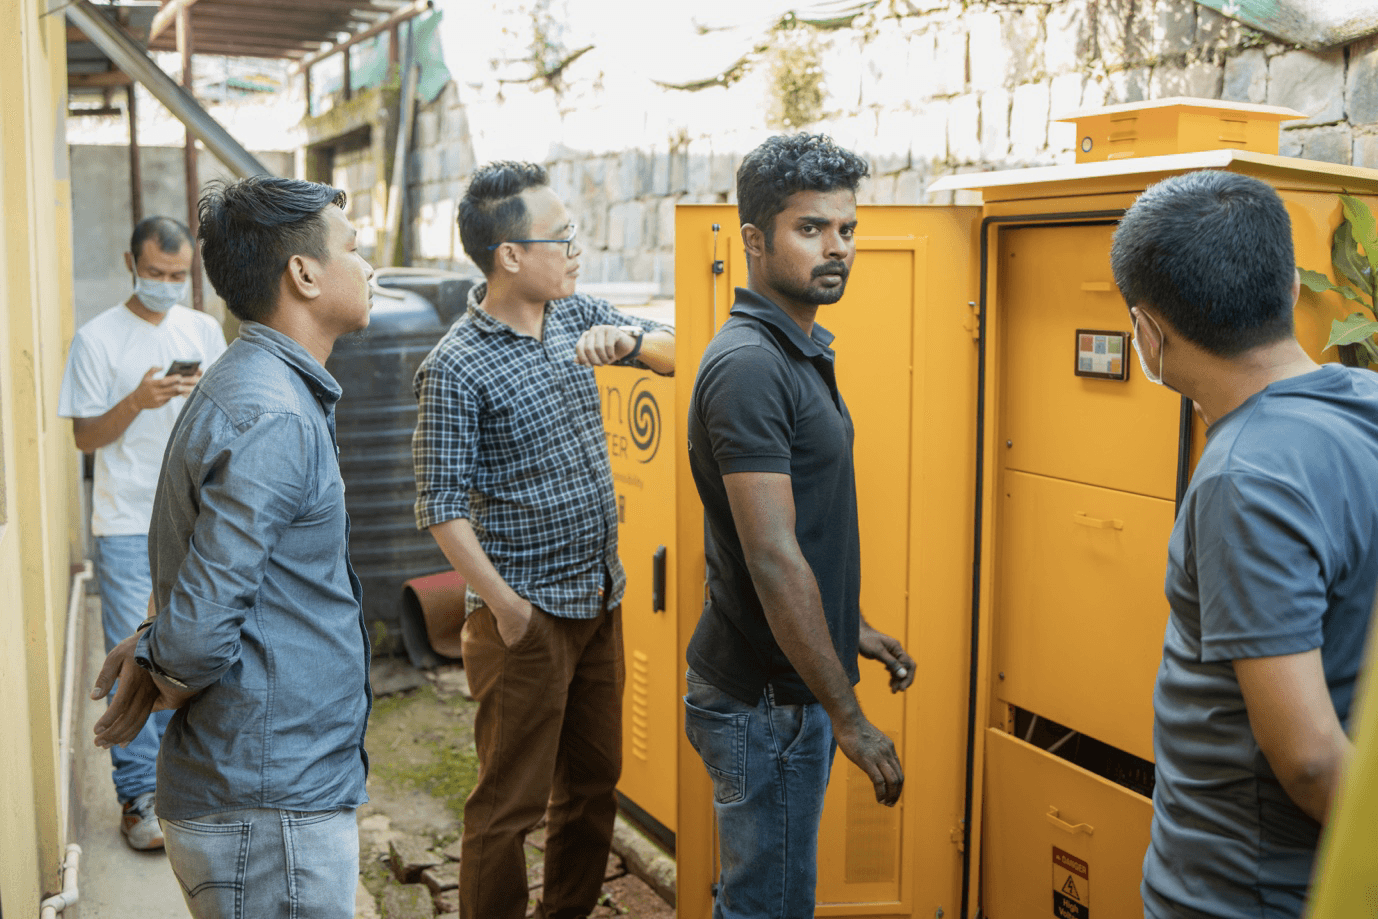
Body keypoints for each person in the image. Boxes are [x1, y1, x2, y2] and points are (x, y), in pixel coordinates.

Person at [90, 175, 375, 919]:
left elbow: (218, 590)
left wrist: (158, 642)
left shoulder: (255, 385)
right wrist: (162, 653)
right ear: (304, 273)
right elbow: (199, 632)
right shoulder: (272, 413)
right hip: (269, 807)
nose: (368, 264)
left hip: (270, 795)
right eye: (354, 247)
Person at [1109, 170, 1378, 918]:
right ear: (1291, 287)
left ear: (1149, 334)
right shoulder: (1367, 403)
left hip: (1244, 893)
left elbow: (1310, 757)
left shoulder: (1246, 476)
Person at [412, 160, 675, 919]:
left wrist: (629, 339)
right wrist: (506, 608)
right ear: (510, 256)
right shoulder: (455, 367)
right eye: (561, 237)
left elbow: (681, 348)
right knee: (508, 806)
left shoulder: (572, 315)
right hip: (525, 620)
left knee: (593, 786)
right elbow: (439, 506)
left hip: (599, 596)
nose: (575, 249)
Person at [683, 133, 916, 919]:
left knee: (767, 899)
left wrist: (852, 628)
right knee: (770, 907)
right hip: (765, 702)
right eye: (810, 228)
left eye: (846, 229)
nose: (837, 248)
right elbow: (774, 556)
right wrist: (848, 716)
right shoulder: (752, 365)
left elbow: (802, 531)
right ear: (754, 239)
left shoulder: (796, 347)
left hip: (783, 685)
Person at [57, 215, 226, 850]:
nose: (166, 285)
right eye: (155, 274)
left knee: (201, 648)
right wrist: (137, 401)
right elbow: (84, 438)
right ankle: (138, 797)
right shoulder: (97, 339)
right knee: (135, 659)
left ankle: (194, 785)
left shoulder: (203, 330)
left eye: (178, 276)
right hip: (127, 520)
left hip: (200, 516)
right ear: (132, 263)